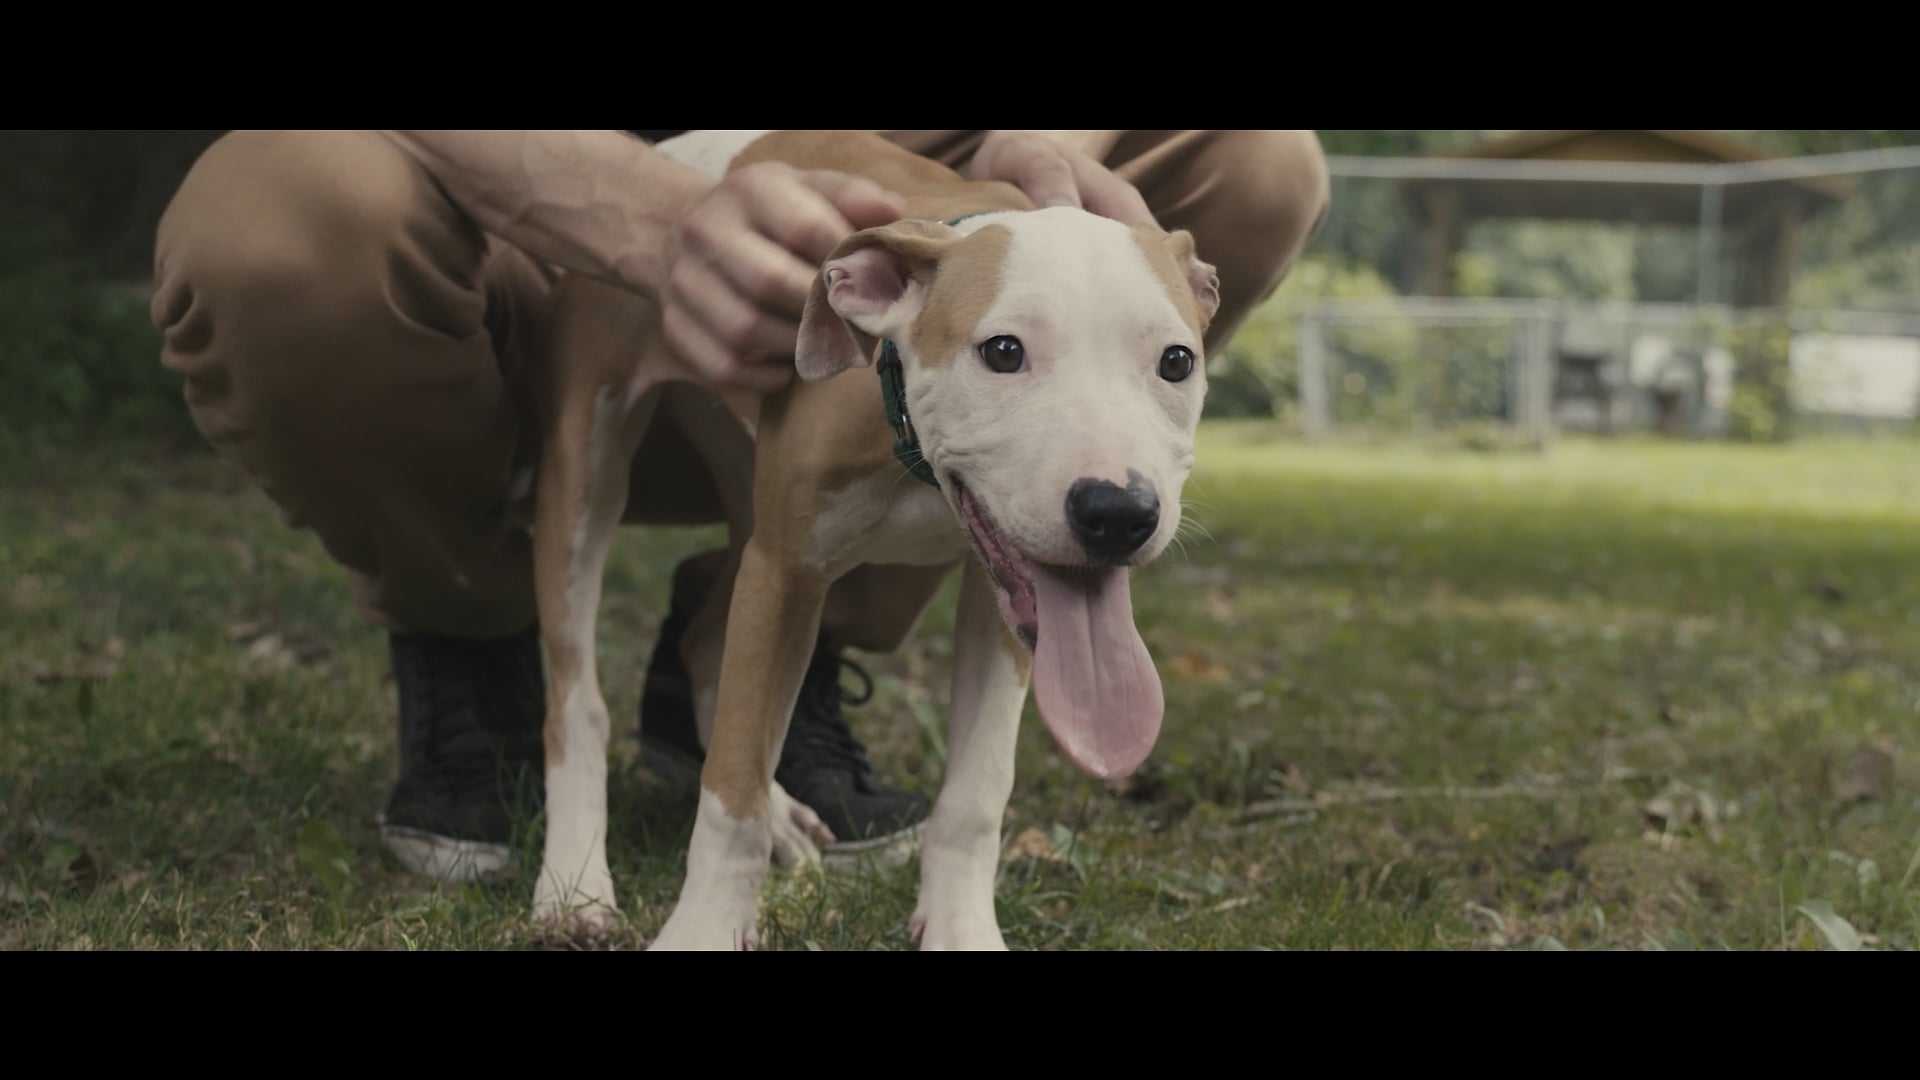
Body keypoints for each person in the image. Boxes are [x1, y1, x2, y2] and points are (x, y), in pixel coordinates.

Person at [150, 129, 1331, 881]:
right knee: (281, 216)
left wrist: (1040, 171)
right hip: (506, 211)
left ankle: (757, 650)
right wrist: (653, 210)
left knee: (1262, 154)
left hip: (898, 191)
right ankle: (469, 623)